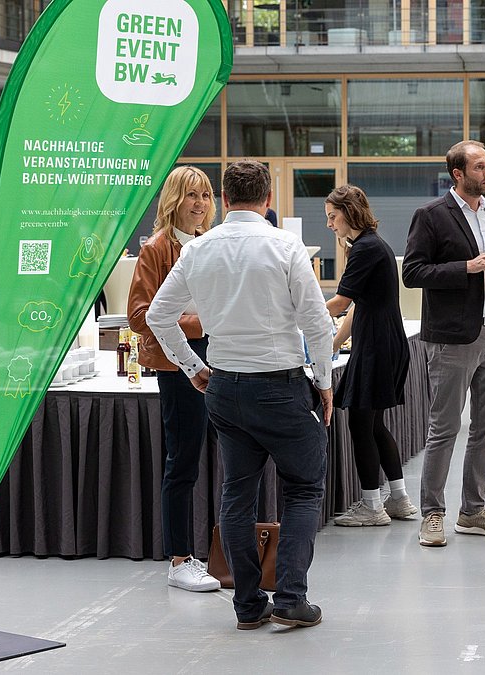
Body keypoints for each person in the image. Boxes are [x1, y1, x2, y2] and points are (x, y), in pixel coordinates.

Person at [147, 160, 332, 631]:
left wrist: (193, 368)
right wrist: (326, 385)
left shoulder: (199, 250)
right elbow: (316, 323)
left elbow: (156, 316)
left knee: (237, 494)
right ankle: (291, 596)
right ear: (267, 199)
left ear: (225, 199)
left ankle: (248, 605)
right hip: (280, 386)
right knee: (305, 487)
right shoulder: (286, 246)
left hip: (225, 388)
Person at [402, 140, 485, 547]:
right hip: (452, 337)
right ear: (458, 174)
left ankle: (471, 509)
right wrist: (467, 267)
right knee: (444, 428)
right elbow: (412, 272)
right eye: (480, 167)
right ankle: (432, 512)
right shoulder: (431, 216)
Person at [127, 166, 221, 593]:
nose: (199, 203)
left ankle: (216, 551)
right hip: (177, 363)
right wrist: (197, 326)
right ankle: (180, 558)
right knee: (182, 460)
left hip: (223, 356)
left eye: (205, 195)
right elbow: (139, 314)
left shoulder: (212, 244)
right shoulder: (157, 248)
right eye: (190, 196)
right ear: (172, 201)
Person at [324, 185, 418, 526]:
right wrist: (334, 342)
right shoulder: (369, 245)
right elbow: (356, 305)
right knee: (373, 424)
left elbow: (340, 303)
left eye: (332, 217)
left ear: (349, 213)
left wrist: (297, 313)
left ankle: (372, 507)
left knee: (361, 424)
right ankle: (399, 499)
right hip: (384, 344)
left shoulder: (365, 249)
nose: (330, 225)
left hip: (378, 346)